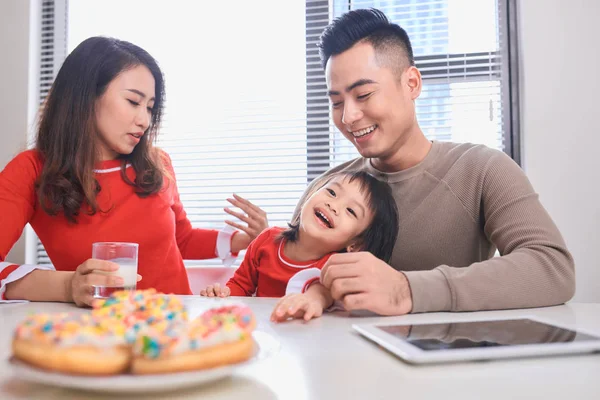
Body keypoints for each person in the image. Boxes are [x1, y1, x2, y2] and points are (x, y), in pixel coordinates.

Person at [288, 8, 575, 316]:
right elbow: (280, 278)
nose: (348, 117)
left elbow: (552, 267)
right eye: (336, 102)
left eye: (364, 94)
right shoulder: (325, 190)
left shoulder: (481, 170)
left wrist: (406, 290)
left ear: (411, 83)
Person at [0, 36, 267, 307]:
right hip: (98, 333)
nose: (145, 120)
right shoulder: (32, 170)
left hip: (177, 328)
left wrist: (241, 240)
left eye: (150, 107)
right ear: (86, 95)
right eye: (133, 102)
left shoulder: (157, 163)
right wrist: (68, 286)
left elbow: (181, 239)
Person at [201, 170, 399, 320]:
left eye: (350, 211)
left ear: (355, 245)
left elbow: (324, 292)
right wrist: (224, 295)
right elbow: (240, 285)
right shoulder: (266, 240)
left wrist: (313, 299)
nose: (333, 205)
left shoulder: (337, 267)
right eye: (331, 192)